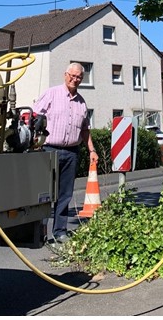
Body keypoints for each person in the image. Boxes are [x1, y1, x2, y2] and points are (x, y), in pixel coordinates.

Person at [33, 62, 97, 242]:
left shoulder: (81, 102)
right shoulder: (51, 94)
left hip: (71, 152)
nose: (74, 79)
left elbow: (85, 129)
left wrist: (91, 150)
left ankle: (60, 231)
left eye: (78, 77)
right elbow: (35, 116)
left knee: (65, 194)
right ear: (65, 74)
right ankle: (40, 232)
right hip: (48, 150)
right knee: (44, 193)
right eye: (72, 75)